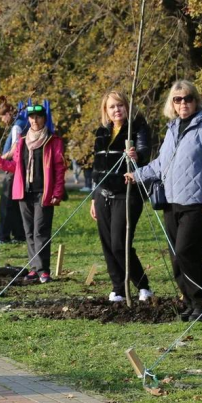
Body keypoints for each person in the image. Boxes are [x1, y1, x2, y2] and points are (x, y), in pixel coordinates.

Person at [125, 80, 202, 321]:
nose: (183, 103)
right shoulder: (172, 129)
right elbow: (161, 164)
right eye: (177, 99)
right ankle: (190, 301)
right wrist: (137, 175)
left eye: (188, 98)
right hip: (172, 202)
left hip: (198, 202)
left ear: (196, 100)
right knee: (176, 257)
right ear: (172, 103)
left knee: (186, 253)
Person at [0, 103, 66, 283]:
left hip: (43, 192)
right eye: (31, 117)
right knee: (29, 232)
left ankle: (43, 270)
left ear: (44, 118)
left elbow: (59, 168)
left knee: (41, 231)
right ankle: (34, 268)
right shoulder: (22, 140)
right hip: (25, 192)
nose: (34, 120)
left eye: (38, 117)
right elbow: (15, 166)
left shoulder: (53, 141)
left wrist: (57, 192)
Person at [91, 90, 153, 303]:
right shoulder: (101, 132)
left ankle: (143, 285)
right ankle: (118, 287)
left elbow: (145, 154)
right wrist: (93, 197)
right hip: (102, 195)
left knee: (120, 243)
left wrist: (137, 155)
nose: (116, 110)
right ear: (106, 111)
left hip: (126, 193)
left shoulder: (137, 128)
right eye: (112, 107)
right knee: (108, 244)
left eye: (120, 105)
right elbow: (96, 166)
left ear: (127, 106)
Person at [0, 101, 26, 244]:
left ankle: (3, 236)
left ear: (8, 114)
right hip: (21, 168)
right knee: (16, 204)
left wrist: (0, 158)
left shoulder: (17, 127)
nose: (2, 121)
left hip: (13, 169)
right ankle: (19, 234)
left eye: (2, 117)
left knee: (6, 204)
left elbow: (15, 149)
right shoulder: (23, 122)